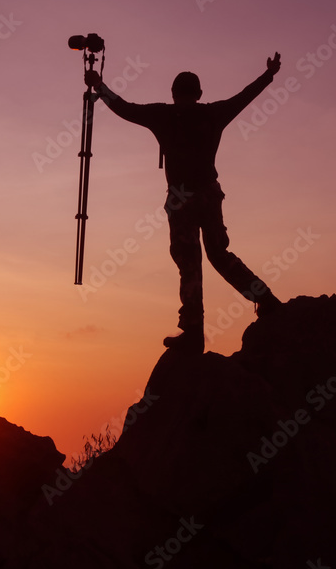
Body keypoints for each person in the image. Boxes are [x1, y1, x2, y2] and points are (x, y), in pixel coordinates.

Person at [84, 53, 284, 353]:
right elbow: (244, 97)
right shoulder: (211, 114)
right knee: (218, 254)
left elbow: (124, 108)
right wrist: (268, 75)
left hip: (182, 200)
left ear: (174, 94)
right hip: (209, 195)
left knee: (189, 264)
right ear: (199, 94)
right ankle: (265, 300)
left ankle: (193, 332)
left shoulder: (164, 115)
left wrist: (100, 86)